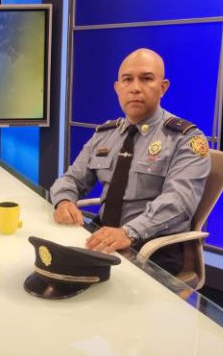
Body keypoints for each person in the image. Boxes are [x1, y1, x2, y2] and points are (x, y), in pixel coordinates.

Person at [50, 48, 211, 274]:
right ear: (118, 88)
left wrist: (129, 232)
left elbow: (179, 202)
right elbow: (71, 179)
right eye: (127, 79)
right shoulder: (105, 134)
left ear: (163, 87)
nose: (135, 88)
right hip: (103, 237)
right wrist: (64, 201)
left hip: (151, 249)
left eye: (146, 78)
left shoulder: (186, 139)